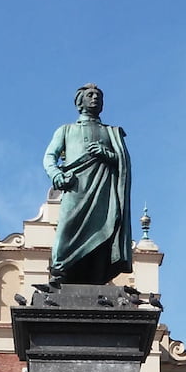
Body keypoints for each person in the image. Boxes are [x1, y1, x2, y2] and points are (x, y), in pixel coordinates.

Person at [43, 83, 132, 285]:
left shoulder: (112, 132)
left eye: (98, 95)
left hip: (103, 190)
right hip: (76, 187)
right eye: (90, 95)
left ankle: (97, 276)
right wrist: (56, 173)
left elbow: (122, 162)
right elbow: (50, 156)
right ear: (79, 101)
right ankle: (60, 271)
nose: (95, 98)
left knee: (104, 228)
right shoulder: (66, 130)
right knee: (66, 228)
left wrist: (106, 154)